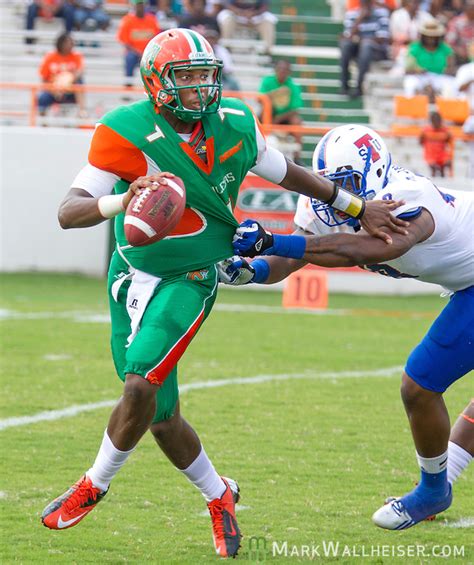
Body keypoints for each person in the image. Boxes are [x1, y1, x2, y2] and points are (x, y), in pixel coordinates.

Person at [40, 30, 404, 557]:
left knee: (141, 385)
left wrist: (354, 206)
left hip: (192, 278)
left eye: (206, 74)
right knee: (161, 416)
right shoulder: (124, 131)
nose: (200, 87)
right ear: (157, 83)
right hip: (129, 275)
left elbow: (291, 174)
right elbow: (68, 211)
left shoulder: (234, 122)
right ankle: (220, 494)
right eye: (185, 76)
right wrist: (122, 202)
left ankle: (94, 482)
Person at [220, 123, 474, 530]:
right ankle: (435, 490)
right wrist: (250, 271)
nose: (336, 197)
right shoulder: (330, 206)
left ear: (373, 174)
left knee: (419, 383)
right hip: (468, 286)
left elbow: (368, 248)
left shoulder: (408, 198)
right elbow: (288, 263)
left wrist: (274, 240)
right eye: (329, 185)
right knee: (421, 387)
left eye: (345, 184)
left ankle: (432, 491)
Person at [339, 0, 390, 98]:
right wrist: (360, 18)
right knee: (345, 45)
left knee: (366, 45)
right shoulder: (352, 14)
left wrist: (362, 40)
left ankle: (359, 86)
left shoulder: (382, 13)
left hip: (376, 51)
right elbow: (347, 36)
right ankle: (344, 85)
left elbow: (382, 38)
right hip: (359, 49)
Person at [259, 59, 303, 163]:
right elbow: (260, 99)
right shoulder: (267, 81)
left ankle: (297, 156)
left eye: (285, 70)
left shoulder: (293, 86)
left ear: (289, 72)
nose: (282, 72)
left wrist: (277, 119)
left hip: (285, 117)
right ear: (275, 70)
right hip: (269, 113)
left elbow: (295, 109)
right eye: (280, 69)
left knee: (297, 121)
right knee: (261, 113)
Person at [404, 20, 457, 97]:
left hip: (440, 76)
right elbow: (408, 69)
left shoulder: (445, 48)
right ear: (423, 36)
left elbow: (451, 67)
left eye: (434, 37)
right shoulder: (414, 47)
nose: (431, 39)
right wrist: (418, 70)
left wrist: (447, 70)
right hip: (420, 77)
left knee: (450, 86)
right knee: (410, 84)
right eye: (428, 36)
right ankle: (412, 106)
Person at [38, 32, 86, 117]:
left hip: (70, 89)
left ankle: (82, 112)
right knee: (42, 98)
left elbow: (80, 71)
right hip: (53, 90)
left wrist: (68, 81)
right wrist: (54, 90)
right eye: (68, 43)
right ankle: (43, 124)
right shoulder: (50, 57)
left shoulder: (76, 56)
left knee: (80, 83)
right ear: (61, 43)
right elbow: (44, 78)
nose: (71, 45)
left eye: (72, 43)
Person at [117, 0, 161, 86]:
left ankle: (154, 86)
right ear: (134, 6)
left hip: (149, 53)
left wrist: (147, 52)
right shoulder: (127, 20)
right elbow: (125, 42)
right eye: (138, 5)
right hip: (134, 52)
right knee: (130, 57)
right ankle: (128, 85)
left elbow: (156, 39)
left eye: (142, 5)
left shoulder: (152, 19)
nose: (140, 7)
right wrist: (139, 52)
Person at [419, 111, 452, 176]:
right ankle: (433, 178)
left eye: (438, 121)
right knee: (433, 167)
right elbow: (420, 142)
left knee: (448, 162)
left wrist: (448, 136)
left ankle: (443, 174)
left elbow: (449, 141)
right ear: (432, 121)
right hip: (430, 154)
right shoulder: (426, 130)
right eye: (435, 121)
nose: (437, 123)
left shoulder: (444, 130)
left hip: (441, 154)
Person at [445, 0, 474, 65]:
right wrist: (460, 51)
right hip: (460, 57)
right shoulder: (456, 22)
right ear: (465, 8)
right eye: (471, 7)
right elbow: (449, 43)